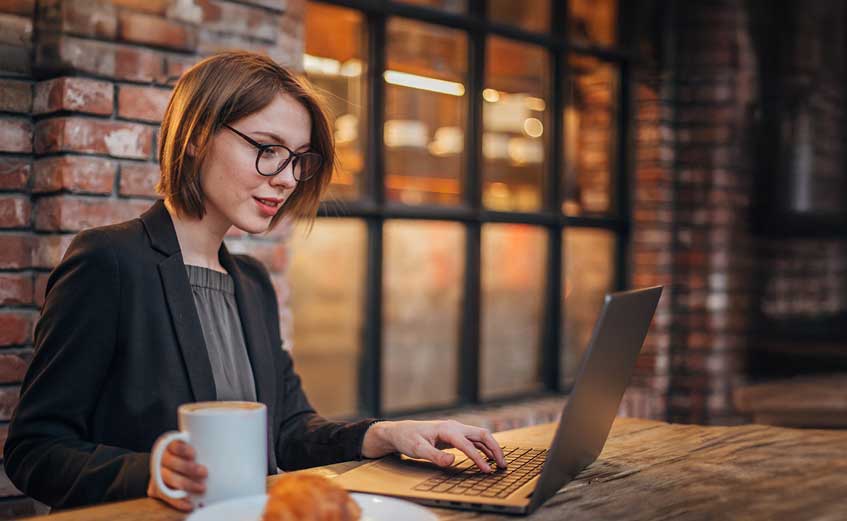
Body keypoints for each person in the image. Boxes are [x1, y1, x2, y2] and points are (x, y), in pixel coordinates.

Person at [3, 51, 506, 512]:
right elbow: (34, 449)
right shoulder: (109, 261)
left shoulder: (251, 282)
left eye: (298, 159)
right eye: (268, 149)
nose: (287, 178)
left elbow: (287, 431)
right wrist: (149, 472)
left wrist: (388, 434)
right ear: (198, 134)